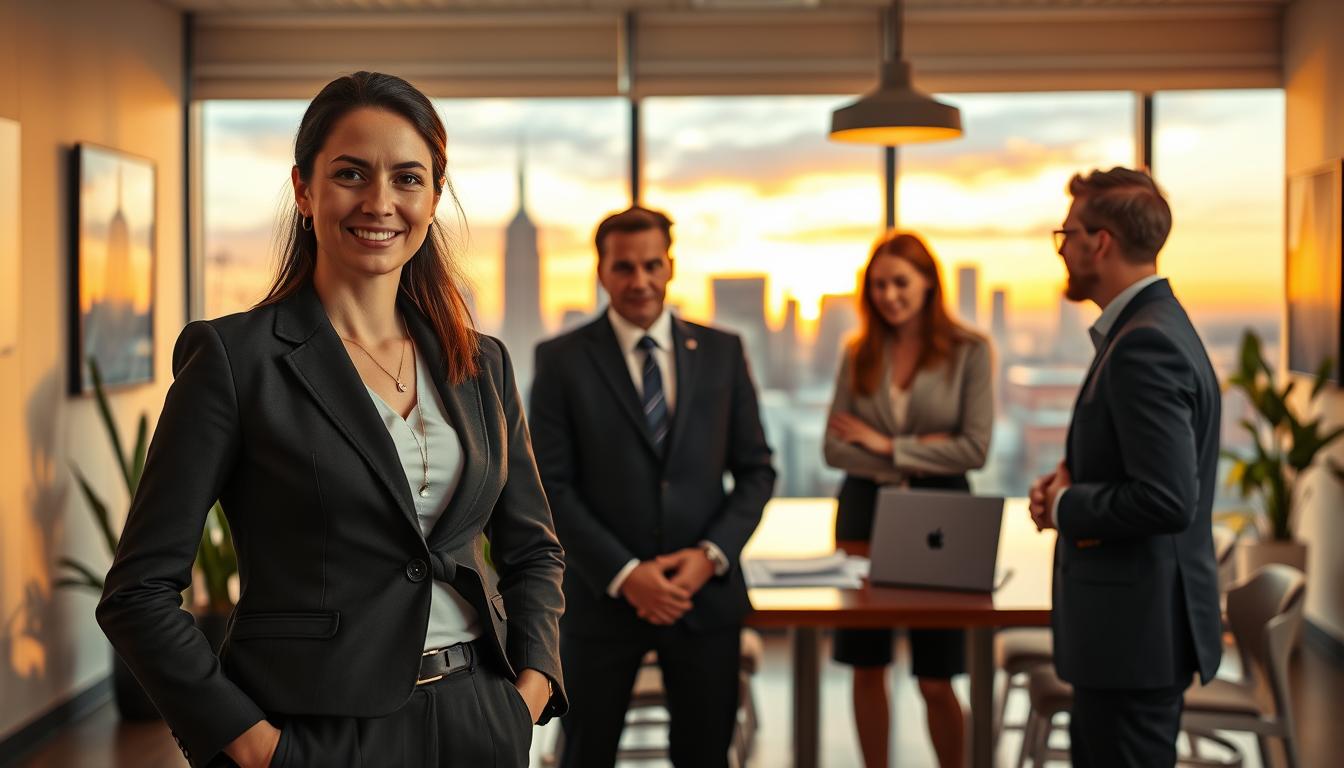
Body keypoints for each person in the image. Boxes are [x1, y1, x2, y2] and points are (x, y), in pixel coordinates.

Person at [97, 71, 566, 768]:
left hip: (480, 719)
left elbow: (534, 550)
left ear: (434, 197)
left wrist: (528, 690)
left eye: (408, 179)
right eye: (351, 173)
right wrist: (254, 747)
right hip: (317, 733)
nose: (380, 202)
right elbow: (138, 591)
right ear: (304, 188)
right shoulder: (235, 359)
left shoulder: (481, 362)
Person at [529, 206, 776, 768]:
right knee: (585, 754)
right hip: (602, 601)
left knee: (704, 755)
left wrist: (709, 557)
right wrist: (626, 574)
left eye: (650, 265)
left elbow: (757, 470)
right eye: (623, 268)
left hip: (702, 597)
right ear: (601, 272)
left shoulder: (722, 352)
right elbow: (551, 487)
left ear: (670, 267)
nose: (638, 281)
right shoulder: (561, 360)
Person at [1028, 167, 1223, 767]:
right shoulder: (1150, 328)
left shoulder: (1145, 343)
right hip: (1132, 635)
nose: (1062, 248)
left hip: (1132, 638)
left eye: (1067, 233)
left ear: (1100, 242)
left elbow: (1165, 498)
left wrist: (1065, 505)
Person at [823, 231, 993, 768]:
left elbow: (974, 449)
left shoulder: (970, 352)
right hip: (862, 516)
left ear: (927, 284)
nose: (889, 295)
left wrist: (881, 444)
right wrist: (922, 451)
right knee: (867, 665)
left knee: (938, 677)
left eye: (900, 282)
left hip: (940, 518)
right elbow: (833, 448)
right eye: (878, 285)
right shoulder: (859, 353)